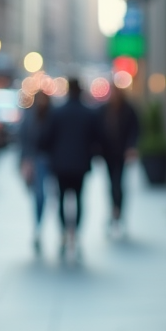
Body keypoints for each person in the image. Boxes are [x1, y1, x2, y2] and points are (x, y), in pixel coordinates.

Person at [40, 78, 100, 260]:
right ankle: (76, 234)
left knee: (61, 199)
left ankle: (64, 234)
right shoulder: (88, 113)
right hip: (80, 164)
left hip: (61, 164)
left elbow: (46, 138)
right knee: (79, 199)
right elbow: (96, 138)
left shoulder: (57, 113)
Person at [95, 82, 139, 237]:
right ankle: (114, 210)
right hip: (108, 153)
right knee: (111, 183)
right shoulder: (104, 110)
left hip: (121, 153)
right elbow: (98, 130)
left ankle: (118, 212)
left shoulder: (128, 110)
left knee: (118, 183)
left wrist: (131, 147)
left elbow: (135, 129)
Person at [18, 90, 53, 254]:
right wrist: (25, 161)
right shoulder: (29, 116)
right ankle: (38, 227)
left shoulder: (53, 116)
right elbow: (23, 139)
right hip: (35, 160)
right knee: (39, 196)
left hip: (50, 160)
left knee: (47, 195)